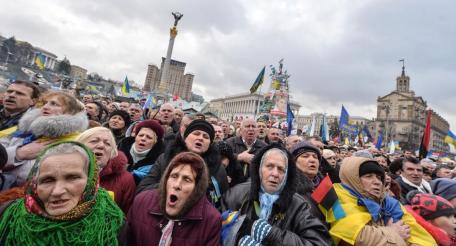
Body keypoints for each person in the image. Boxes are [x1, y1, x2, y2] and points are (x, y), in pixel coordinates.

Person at [0, 141, 124, 245]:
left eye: (72, 178)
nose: (57, 191)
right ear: (35, 185)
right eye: (47, 180)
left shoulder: (113, 223)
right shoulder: (8, 216)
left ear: (91, 181)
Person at [222, 143, 332, 245]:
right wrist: (237, 240)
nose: (275, 173)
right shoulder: (234, 195)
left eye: (281, 169)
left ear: (287, 174)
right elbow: (214, 234)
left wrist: (270, 233)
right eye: (269, 166)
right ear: (259, 169)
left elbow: (319, 242)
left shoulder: (299, 205)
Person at [328, 156, 435, 245]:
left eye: (379, 177)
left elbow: (419, 237)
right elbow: (357, 235)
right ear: (353, 179)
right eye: (368, 176)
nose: (377, 182)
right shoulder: (336, 197)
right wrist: (393, 233)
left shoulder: (390, 203)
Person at [122, 152, 221, 245]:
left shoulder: (211, 221)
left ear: (197, 189)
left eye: (187, 179)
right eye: (174, 176)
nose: (177, 185)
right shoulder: (142, 202)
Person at [0, 91, 88, 187]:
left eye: (54, 104)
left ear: (70, 112)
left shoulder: (75, 144)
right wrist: (19, 154)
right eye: (45, 103)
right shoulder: (23, 131)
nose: (45, 107)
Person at [137, 119, 229, 211]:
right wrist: (171, 186)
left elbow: (223, 203)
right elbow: (142, 189)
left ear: (210, 144)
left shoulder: (218, 169)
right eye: (196, 133)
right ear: (185, 138)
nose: (200, 138)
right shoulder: (165, 159)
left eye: (206, 136)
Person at [77, 127, 136, 213]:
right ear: (79, 146)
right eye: (94, 141)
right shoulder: (63, 170)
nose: (101, 146)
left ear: (112, 152)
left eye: (107, 143)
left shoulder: (126, 179)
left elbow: (126, 215)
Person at [118, 119, 165, 184]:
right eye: (141, 135)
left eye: (149, 137)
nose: (143, 139)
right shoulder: (119, 151)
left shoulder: (157, 163)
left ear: (155, 142)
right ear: (135, 137)